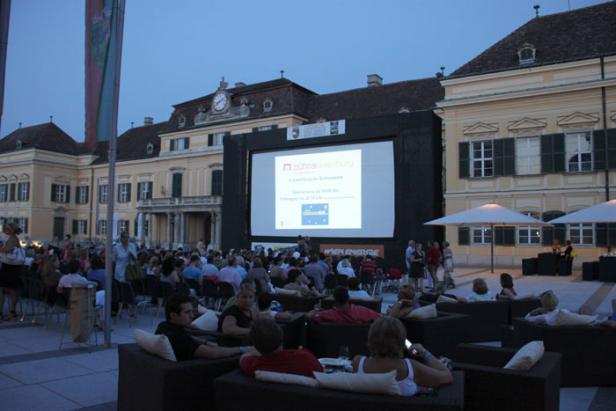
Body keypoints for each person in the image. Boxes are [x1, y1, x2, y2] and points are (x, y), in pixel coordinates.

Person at [351, 317, 453, 396]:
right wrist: (424, 352)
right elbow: (447, 376)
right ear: (402, 341)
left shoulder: (358, 362)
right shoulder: (411, 368)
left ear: (371, 338)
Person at [156, 293, 246, 361]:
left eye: (192, 312)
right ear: (173, 315)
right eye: (187, 312)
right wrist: (241, 349)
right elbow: (213, 354)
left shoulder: (163, 326)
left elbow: (190, 337)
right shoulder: (179, 337)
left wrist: (205, 342)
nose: (192, 316)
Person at [240, 318, 323, 378]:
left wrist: (254, 352)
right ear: (282, 336)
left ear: (256, 346)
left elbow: (243, 358)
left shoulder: (255, 366)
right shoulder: (306, 359)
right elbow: (320, 373)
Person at [309, 286, 380, 324]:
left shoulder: (327, 314)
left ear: (335, 300)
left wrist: (316, 309)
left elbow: (311, 316)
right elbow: (379, 317)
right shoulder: (362, 311)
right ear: (348, 298)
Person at [0, 222, 23, 321]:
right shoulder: (12, 238)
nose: (4, 230)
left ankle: (7, 312)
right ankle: (11, 312)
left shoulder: (12, 239)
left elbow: (7, 250)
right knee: (11, 289)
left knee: (6, 289)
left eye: (6, 229)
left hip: (10, 267)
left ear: (10, 230)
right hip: (10, 267)